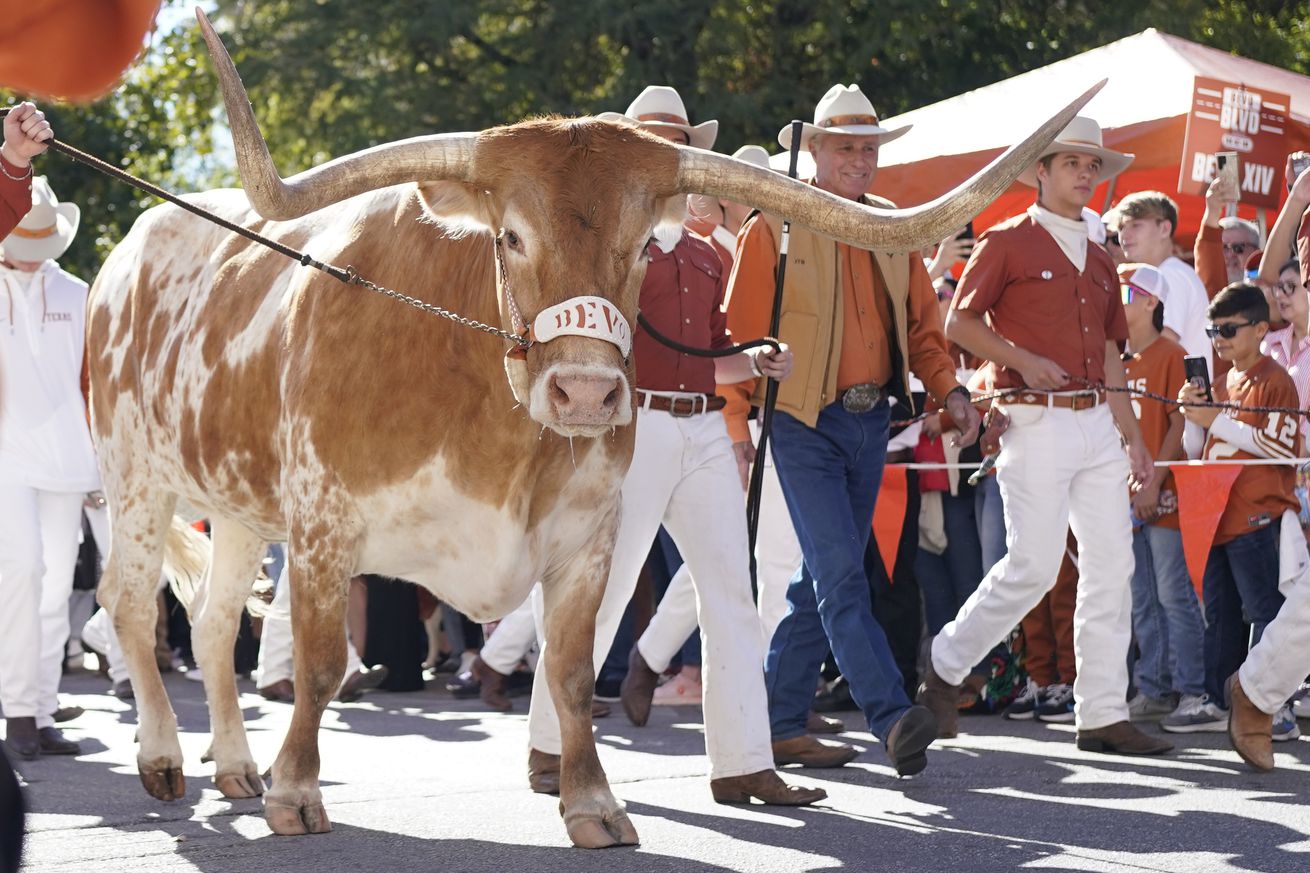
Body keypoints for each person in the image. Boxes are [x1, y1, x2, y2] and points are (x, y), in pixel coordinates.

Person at [527, 85, 820, 807]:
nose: (669, 149)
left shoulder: (704, 252)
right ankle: (547, 742)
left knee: (732, 590)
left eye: (678, 138)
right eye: (654, 136)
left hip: (702, 424)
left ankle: (743, 761)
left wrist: (756, 361)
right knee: (608, 587)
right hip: (638, 426)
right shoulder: (605, 246)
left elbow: (710, 353)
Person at [723, 82, 982, 777]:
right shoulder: (772, 223)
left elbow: (926, 332)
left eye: (869, 149)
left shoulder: (897, 225)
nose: (861, 160)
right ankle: (892, 716)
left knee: (819, 579)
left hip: (873, 423)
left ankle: (777, 723)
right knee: (842, 577)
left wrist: (954, 391)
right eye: (847, 147)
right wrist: (735, 423)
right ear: (814, 150)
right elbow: (737, 338)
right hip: (801, 421)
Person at [918, 116, 1172, 756]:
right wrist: (1023, 359)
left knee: (1113, 564)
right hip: (1033, 417)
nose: (1085, 174)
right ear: (1041, 170)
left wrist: (1135, 440)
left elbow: (1114, 356)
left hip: (1094, 423)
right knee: (1032, 566)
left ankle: (1102, 712)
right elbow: (959, 322)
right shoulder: (1005, 241)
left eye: (1093, 167)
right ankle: (947, 663)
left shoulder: (1099, 253)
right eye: (1071, 164)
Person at [1178, 284, 1301, 739]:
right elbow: (1200, 449)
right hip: (1217, 515)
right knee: (1223, 615)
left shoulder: (1276, 378)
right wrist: (1195, 419)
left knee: (1266, 612)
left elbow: (1283, 448)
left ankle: (1276, 706)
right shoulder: (1221, 381)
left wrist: (1215, 419)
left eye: (1228, 329)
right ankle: (1217, 701)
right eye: (1213, 329)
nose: (1218, 339)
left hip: (1259, 514)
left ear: (1261, 329)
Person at [0, 175, 93, 760]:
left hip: (69, 460)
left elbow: (96, 385)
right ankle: (18, 714)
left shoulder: (79, 294)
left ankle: (41, 705)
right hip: (6, 458)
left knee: (57, 585)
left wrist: (103, 469)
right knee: (23, 571)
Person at [1116, 262, 1206, 726]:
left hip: (1163, 492)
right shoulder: (1120, 359)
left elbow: (1179, 422)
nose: (1116, 297)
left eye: (1124, 291)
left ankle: (1194, 692)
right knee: (1141, 596)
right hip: (1129, 496)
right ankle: (1153, 686)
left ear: (1151, 301)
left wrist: (1155, 482)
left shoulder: (1172, 353)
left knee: (1174, 594)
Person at [1116, 191, 1210, 363]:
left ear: (1165, 228)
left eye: (1136, 225)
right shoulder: (1165, 274)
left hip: (1173, 387)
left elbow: (1165, 343)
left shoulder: (1171, 275)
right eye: (1121, 227)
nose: (1124, 235)